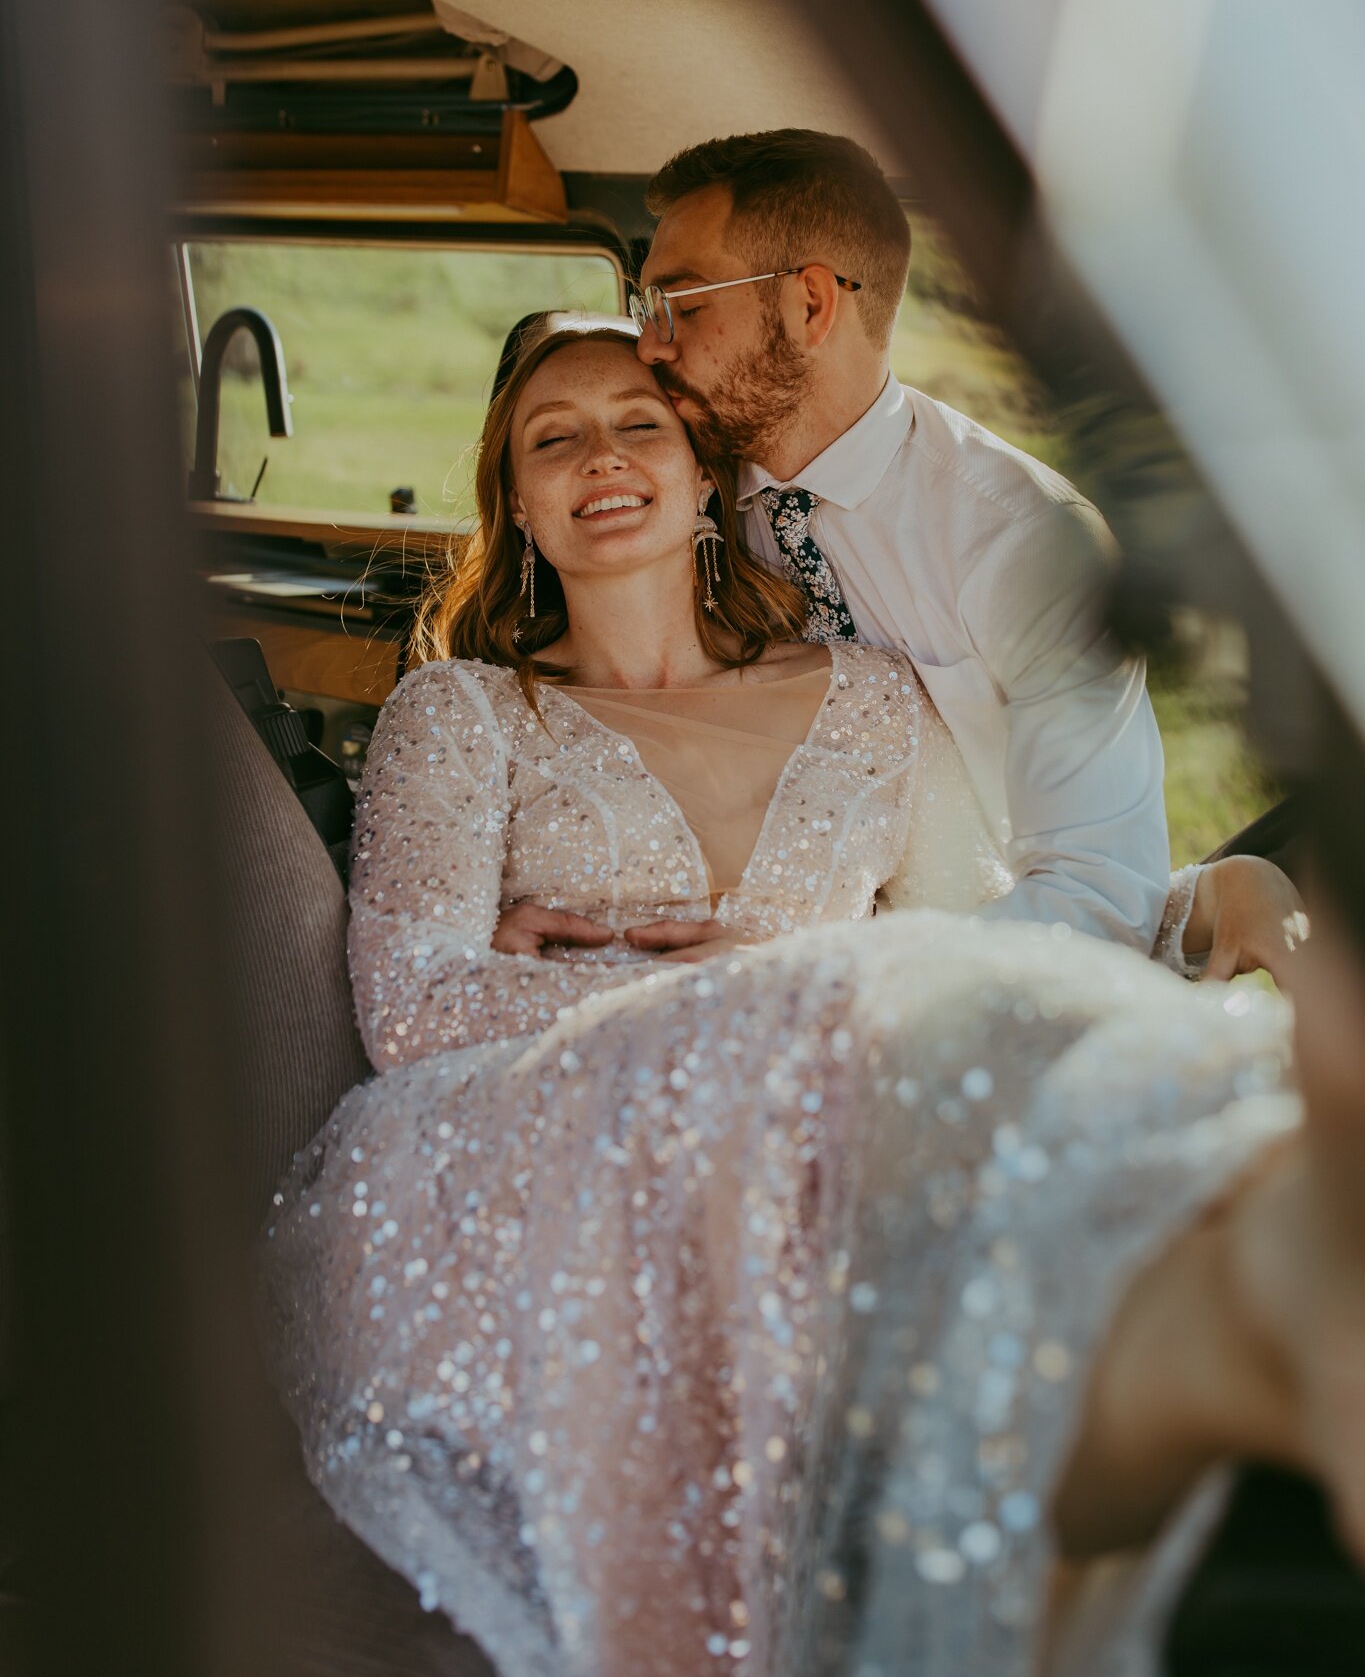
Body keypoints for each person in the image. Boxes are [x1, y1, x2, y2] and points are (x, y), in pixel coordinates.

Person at [263, 328, 1362, 1677]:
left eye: (638, 425)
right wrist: (729, 990)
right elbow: (413, 1008)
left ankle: (1263, 1264)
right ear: (518, 505)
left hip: (805, 1129)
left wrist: (1196, 898)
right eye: (553, 439)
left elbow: (966, 945)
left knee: (981, 1097)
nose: (600, 457)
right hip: (520, 1164)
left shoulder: (873, 701)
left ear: (703, 478)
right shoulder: (467, 713)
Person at [634, 128, 1301, 981]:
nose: (651, 347)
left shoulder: (1025, 540)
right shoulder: (662, 487)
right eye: (644, 311)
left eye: (681, 306)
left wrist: (815, 971)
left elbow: (1097, 893)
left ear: (809, 305)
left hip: (953, 987)